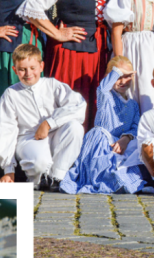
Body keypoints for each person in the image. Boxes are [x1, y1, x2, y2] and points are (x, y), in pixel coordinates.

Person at [19, 0, 114, 128]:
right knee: (70, 107)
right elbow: (31, 8)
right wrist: (57, 34)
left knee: (93, 108)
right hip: (71, 54)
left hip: (98, 53)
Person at [0, 43, 86, 191]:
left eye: (32, 68)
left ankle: (57, 177)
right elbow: (7, 131)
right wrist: (8, 170)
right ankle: (39, 179)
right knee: (40, 164)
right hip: (29, 138)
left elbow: (78, 105)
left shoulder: (52, 85)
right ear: (15, 70)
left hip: (55, 132)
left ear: (41, 66)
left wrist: (49, 123)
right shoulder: (11, 94)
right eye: (22, 69)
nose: (28, 73)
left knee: (75, 128)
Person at [60, 58, 146, 195]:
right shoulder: (106, 97)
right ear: (109, 77)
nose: (122, 81)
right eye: (118, 77)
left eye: (126, 76)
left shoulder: (133, 105)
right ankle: (103, 177)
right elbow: (103, 88)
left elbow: (136, 126)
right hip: (102, 144)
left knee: (136, 147)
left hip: (122, 145)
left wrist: (126, 137)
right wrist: (117, 72)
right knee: (99, 136)